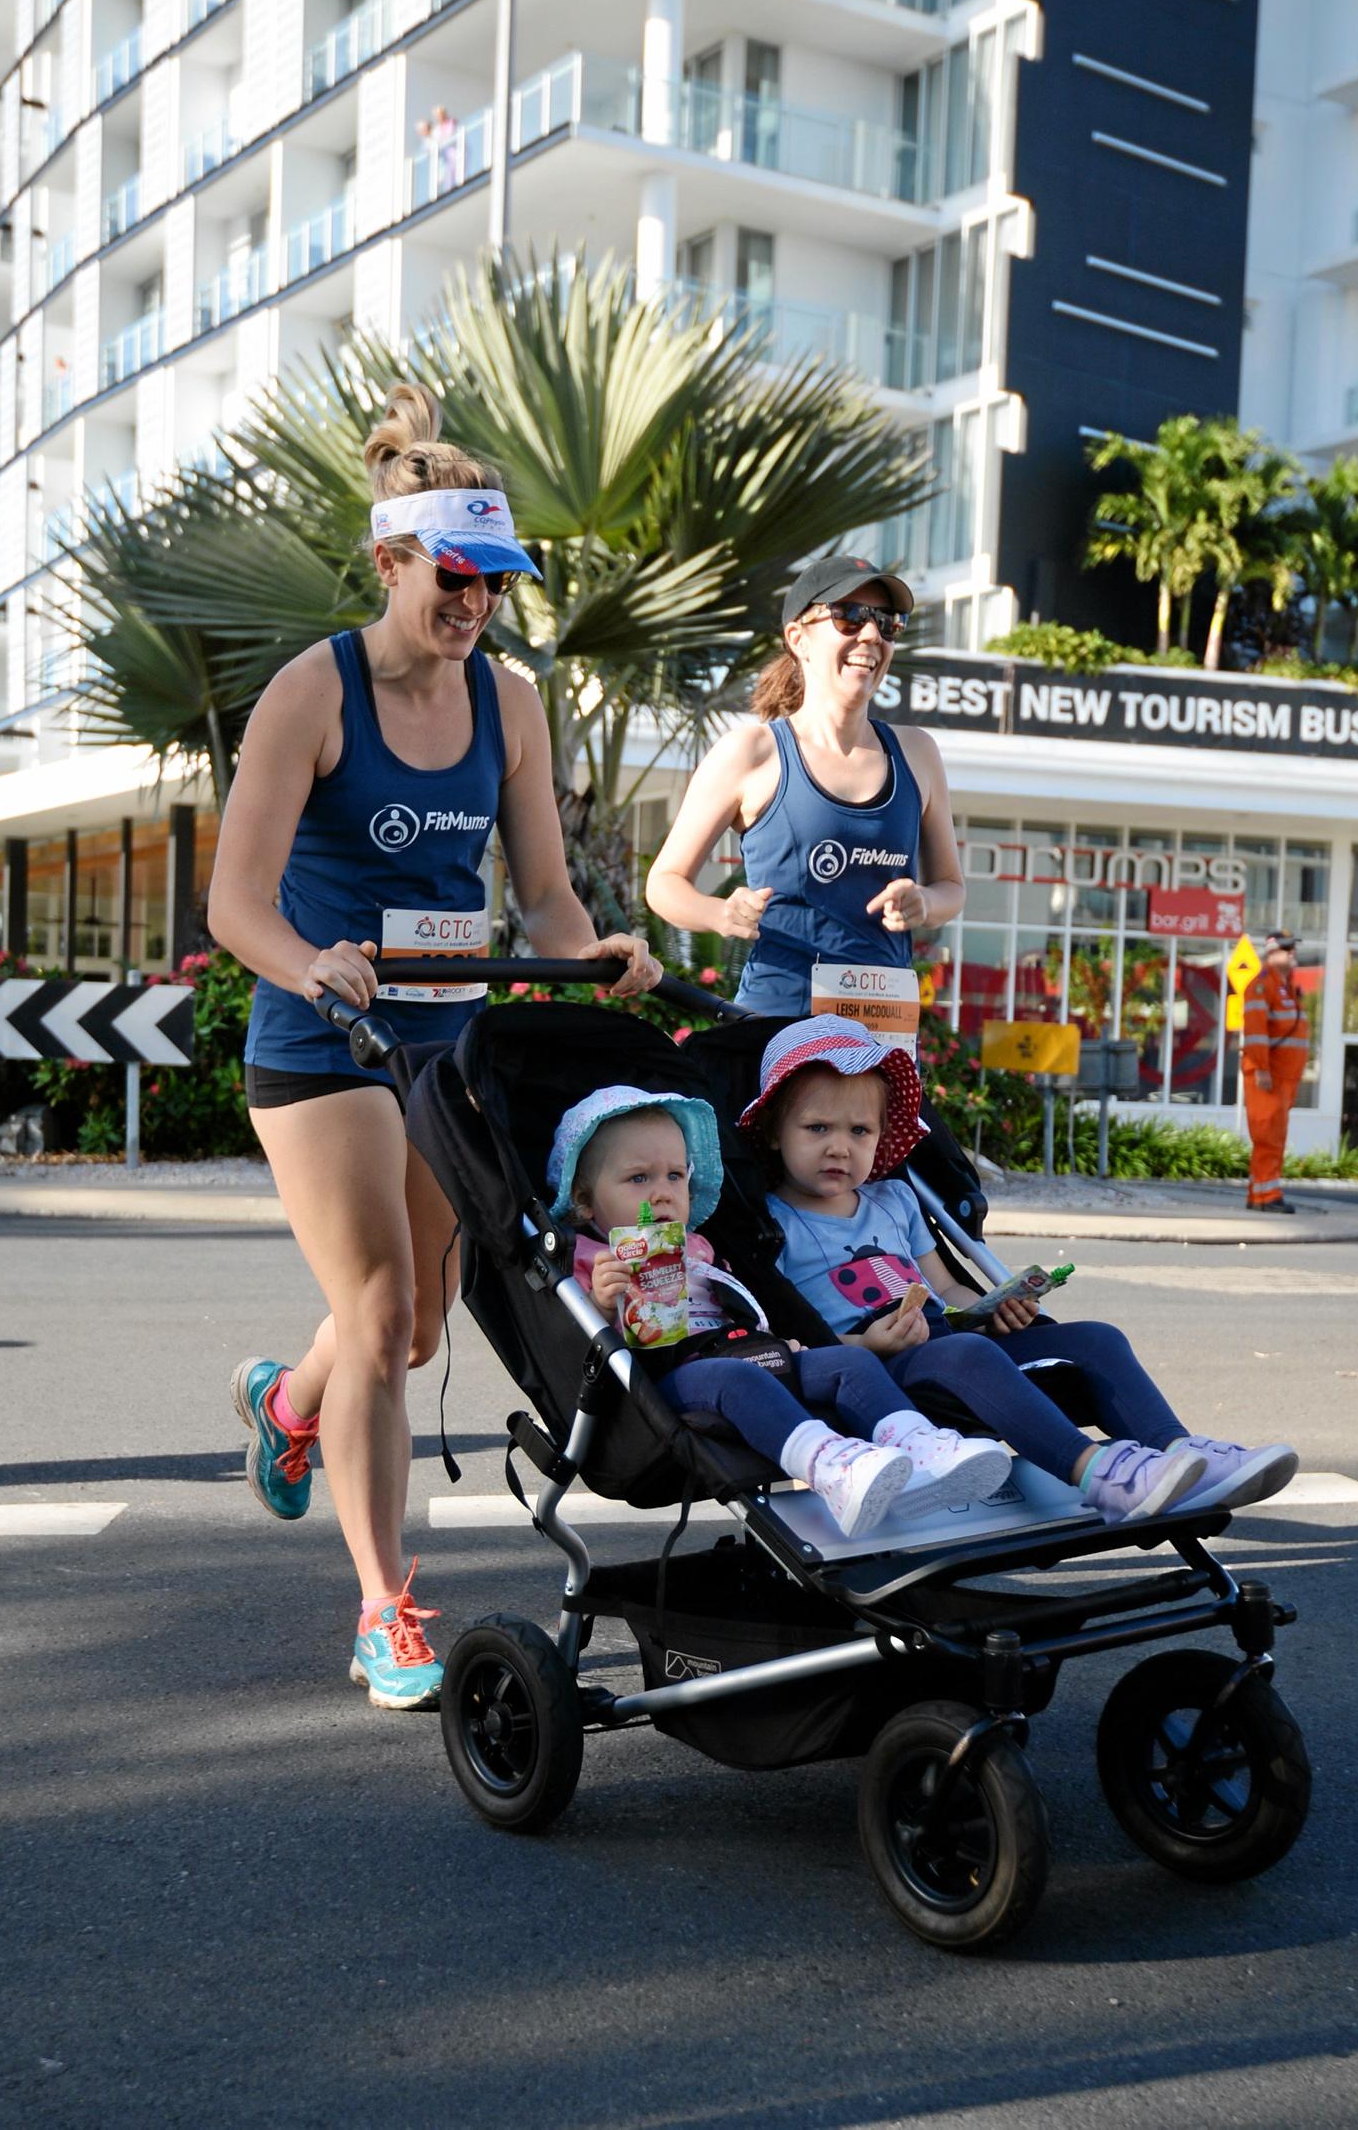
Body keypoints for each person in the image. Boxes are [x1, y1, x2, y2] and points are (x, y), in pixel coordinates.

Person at [209, 383, 659, 1710]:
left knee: (401, 1335)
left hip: (442, 1037)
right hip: (321, 1036)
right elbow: (234, 900)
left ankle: (289, 1403)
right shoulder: (312, 691)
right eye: (454, 577)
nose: (474, 605)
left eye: (496, 584)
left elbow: (547, 892)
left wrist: (594, 948)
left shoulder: (510, 703)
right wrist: (310, 960)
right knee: (378, 1308)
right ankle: (382, 1606)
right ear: (392, 555)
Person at [743, 1018, 1299, 1521]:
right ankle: (1099, 1474)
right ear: (774, 1132)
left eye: (859, 1132)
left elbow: (946, 1287)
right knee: (967, 1352)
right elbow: (777, 1341)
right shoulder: (770, 1221)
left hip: (949, 1343)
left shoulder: (894, 1200)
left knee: (1097, 1339)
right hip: (876, 1369)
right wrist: (863, 1344)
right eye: (818, 1129)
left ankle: (1178, 1452)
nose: (840, 1147)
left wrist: (989, 1309)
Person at [550, 1084, 1011, 1538]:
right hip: (673, 1375)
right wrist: (599, 1303)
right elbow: (568, 1351)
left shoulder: (700, 1248)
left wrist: (768, 1339)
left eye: (675, 1176)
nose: (664, 1193)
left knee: (847, 1360)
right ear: (586, 1201)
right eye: (638, 1179)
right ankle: (831, 1468)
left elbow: (733, 1306)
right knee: (737, 1379)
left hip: (741, 1351)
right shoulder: (591, 1259)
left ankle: (921, 1448)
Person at [646, 555, 962, 1038]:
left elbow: (951, 888)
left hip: (883, 1035)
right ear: (799, 638)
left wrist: (924, 901)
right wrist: (720, 913)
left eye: (886, 623)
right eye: (849, 616)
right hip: (780, 1030)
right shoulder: (751, 752)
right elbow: (664, 883)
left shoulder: (918, 753)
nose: (871, 636)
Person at [1242, 930, 1309, 1214]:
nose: (1292, 953)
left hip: (1283, 1077)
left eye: (1293, 948)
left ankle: (1262, 1195)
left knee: (1274, 1137)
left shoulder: (1286, 988)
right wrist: (1262, 1069)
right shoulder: (1262, 986)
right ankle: (1267, 1195)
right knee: (1267, 1136)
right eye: (1287, 949)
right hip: (1267, 1076)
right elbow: (1256, 1033)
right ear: (1271, 954)